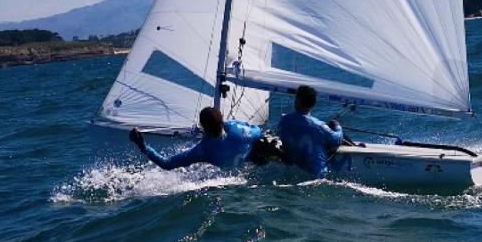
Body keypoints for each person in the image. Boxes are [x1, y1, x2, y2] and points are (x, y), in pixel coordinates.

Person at [128, 106, 263, 171]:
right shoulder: (239, 131)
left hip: (230, 172)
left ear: (203, 127)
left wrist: (143, 146)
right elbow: (259, 131)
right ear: (222, 121)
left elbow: (166, 164)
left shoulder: (203, 150)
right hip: (252, 159)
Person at [276, 85, 344, 177]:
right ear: (313, 104)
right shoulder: (320, 126)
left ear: (297, 100)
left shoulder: (283, 120)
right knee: (333, 144)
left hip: (290, 172)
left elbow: (279, 133)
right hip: (317, 176)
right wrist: (337, 127)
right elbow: (337, 139)